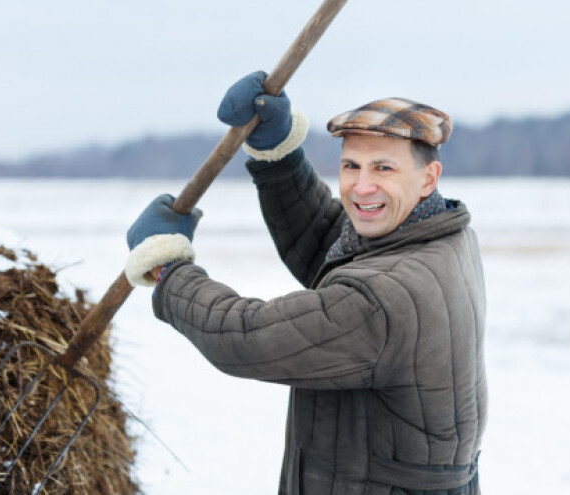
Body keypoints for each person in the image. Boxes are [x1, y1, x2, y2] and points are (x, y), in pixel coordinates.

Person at [124, 71, 487, 495]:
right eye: (351, 165)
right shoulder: (443, 236)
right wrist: (278, 155)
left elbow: (248, 336)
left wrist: (170, 270)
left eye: (383, 168)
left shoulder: (385, 299)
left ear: (428, 177)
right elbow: (331, 244)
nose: (362, 185)